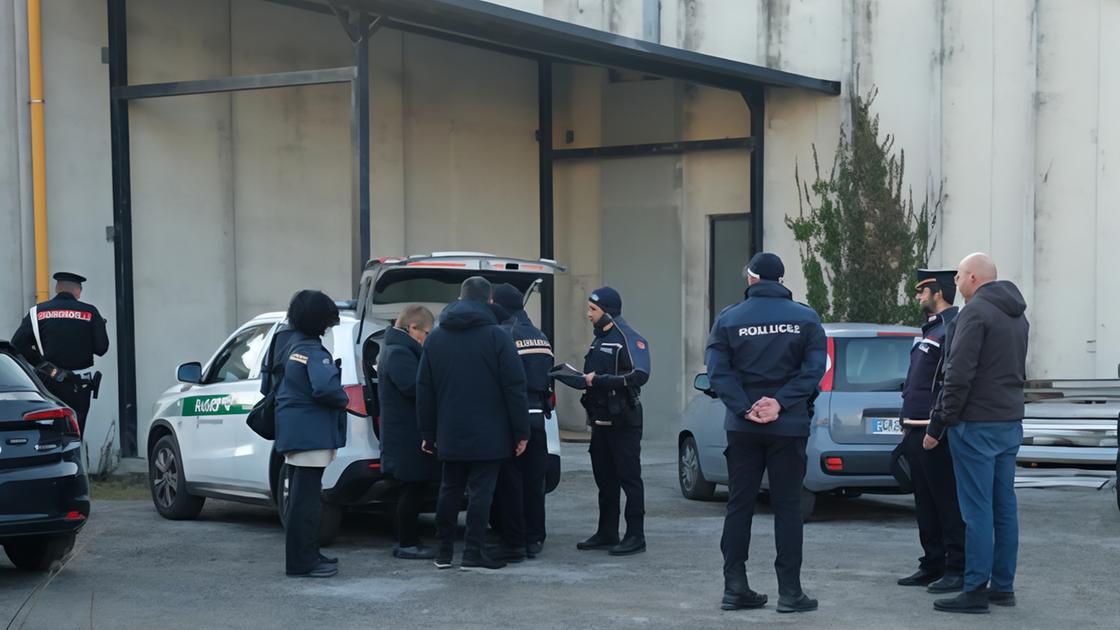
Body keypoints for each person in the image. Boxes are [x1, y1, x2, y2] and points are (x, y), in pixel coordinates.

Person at [705, 252, 826, 614]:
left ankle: (735, 587)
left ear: (752, 279)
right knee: (788, 507)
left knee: (739, 504)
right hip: (788, 427)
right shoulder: (806, 318)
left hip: (743, 427)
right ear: (781, 280)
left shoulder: (729, 318)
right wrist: (781, 403)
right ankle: (790, 592)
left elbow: (717, 371)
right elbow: (815, 368)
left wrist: (745, 407)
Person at [926, 253, 1028, 614]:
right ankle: (1002, 586)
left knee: (977, 510)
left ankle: (974, 590)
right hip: (1008, 422)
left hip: (976, 424)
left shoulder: (975, 313)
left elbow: (958, 375)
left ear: (972, 277)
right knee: (1004, 507)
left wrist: (939, 424)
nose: (954, 281)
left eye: (957, 276)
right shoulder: (1017, 315)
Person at [417, 276, 530, 571]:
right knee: (481, 492)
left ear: (460, 297)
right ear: (489, 301)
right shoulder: (498, 337)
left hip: (450, 431)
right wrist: (521, 431)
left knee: (449, 488)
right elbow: (515, 387)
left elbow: (424, 388)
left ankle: (442, 553)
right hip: (491, 433)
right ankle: (473, 553)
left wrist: (427, 432)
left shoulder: (436, 337)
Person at [896, 269, 966, 594]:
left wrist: (936, 426)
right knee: (924, 503)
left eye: (921, 291)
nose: (918, 297)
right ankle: (932, 562)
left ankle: (956, 567)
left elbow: (950, 383)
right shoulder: (931, 329)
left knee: (946, 502)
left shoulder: (952, 329)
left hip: (933, 432)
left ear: (937, 291)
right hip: (914, 429)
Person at [271, 290, 348, 579]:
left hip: (298, 433)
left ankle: (307, 554)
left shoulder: (292, 345)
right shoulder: (313, 351)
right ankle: (303, 563)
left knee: (302, 500)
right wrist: (343, 398)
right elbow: (326, 389)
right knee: (306, 504)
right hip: (310, 436)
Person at [574, 286, 650, 557]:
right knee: (604, 480)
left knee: (629, 479)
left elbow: (641, 374)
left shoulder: (628, 338)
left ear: (608, 311)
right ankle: (607, 532)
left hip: (624, 422)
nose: (589, 315)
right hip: (601, 421)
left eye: (593, 310)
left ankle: (635, 535)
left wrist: (600, 380)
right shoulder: (600, 339)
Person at [489, 283, 554, 561]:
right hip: (539, 416)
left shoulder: (504, 335)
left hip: (512, 418)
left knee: (511, 483)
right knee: (534, 481)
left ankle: (513, 538)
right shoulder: (539, 335)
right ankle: (535, 537)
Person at [11, 272, 109, 437]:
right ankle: (74, 461)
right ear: (78, 290)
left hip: (46, 382)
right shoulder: (90, 312)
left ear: (57, 288)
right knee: (76, 431)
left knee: (48, 432)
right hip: (79, 384)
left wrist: (42, 364)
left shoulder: (37, 312)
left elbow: (17, 344)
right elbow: (102, 348)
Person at [378, 305, 440, 560]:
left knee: (412, 489)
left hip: (404, 432)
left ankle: (406, 539)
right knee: (411, 489)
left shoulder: (397, 349)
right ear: (412, 328)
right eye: (426, 333)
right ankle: (407, 542)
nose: (427, 339)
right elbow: (413, 388)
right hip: (406, 434)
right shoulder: (400, 353)